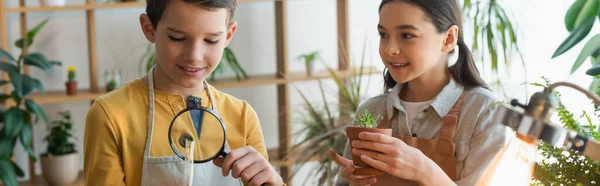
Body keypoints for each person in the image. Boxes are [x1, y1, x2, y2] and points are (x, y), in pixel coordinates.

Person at [83, 0, 284, 185]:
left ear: (228, 35)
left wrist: (273, 181)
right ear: (149, 28)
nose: (194, 56)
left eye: (211, 40)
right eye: (177, 38)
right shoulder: (110, 115)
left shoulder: (242, 116)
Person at [330, 0, 512, 185]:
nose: (390, 49)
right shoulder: (371, 110)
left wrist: (423, 170)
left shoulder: (484, 112)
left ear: (448, 38)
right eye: (383, 34)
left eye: (407, 35)